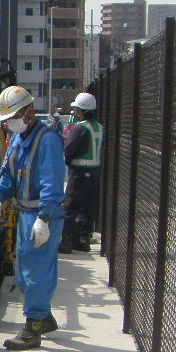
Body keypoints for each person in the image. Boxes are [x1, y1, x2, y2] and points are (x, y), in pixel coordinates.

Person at [0, 85, 65, 350]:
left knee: (36, 273)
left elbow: (52, 182)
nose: (10, 124)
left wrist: (44, 217)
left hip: (43, 216)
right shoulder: (20, 139)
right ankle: (42, 317)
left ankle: (32, 328)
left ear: (29, 112)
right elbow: (8, 173)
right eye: (7, 120)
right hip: (26, 215)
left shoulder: (47, 140)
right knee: (24, 273)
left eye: (13, 117)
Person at [61, 91, 103, 253]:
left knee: (70, 208)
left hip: (78, 173)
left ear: (81, 110)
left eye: (76, 108)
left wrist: (69, 162)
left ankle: (66, 242)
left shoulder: (80, 129)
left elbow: (69, 150)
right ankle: (83, 241)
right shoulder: (99, 128)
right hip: (94, 174)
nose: (75, 111)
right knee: (87, 209)